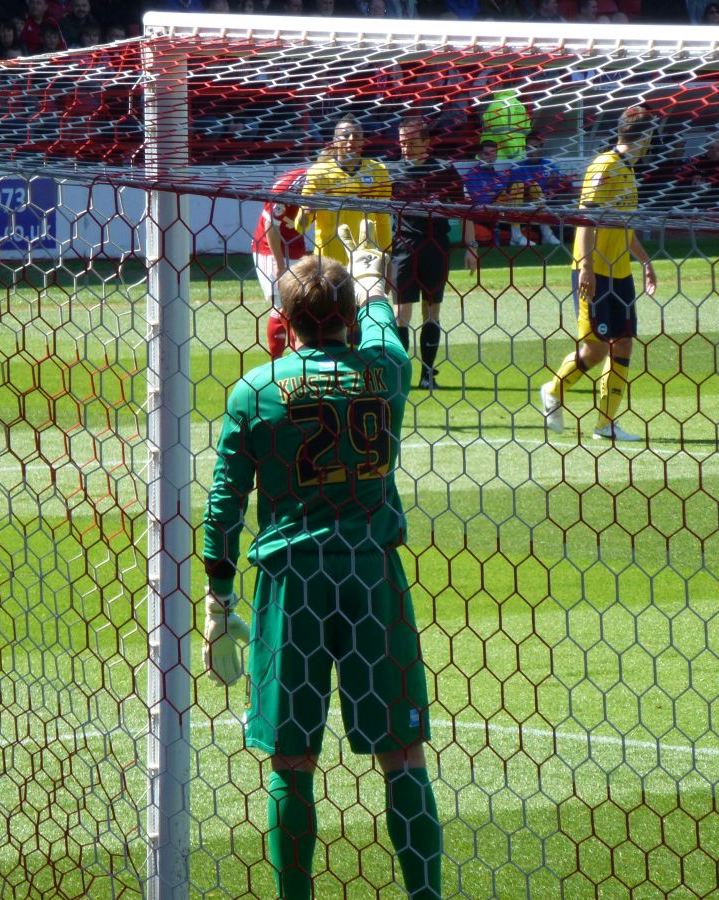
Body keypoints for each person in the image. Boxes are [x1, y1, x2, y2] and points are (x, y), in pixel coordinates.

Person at [201, 223, 441, 900]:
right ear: (345, 316)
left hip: (293, 583)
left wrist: (219, 602)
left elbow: (223, 508)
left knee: (291, 760)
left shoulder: (255, 391)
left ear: (282, 320)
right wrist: (369, 277)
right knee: (402, 756)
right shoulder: (387, 369)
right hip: (371, 575)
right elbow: (386, 331)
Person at [540, 105, 658, 443]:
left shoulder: (628, 170)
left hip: (620, 273)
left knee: (623, 344)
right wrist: (588, 267)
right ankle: (553, 390)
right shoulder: (604, 167)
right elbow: (586, 220)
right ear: (645, 136)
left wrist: (645, 262)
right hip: (595, 272)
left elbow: (623, 226)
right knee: (595, 350)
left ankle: (605, 424)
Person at [389, 115, 479, 390]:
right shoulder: (390, 172)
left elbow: (466, 210)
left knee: (432, 311)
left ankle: (428, 373)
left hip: (436, 248)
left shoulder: (444, 171)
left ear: (427, 142)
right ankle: (401, 374)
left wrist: (471, 247)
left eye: (412, 142)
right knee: (401, 313)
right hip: (402, 249)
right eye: (402, 142)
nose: (405, 147)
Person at [300, 113, 392, 268]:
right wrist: (307, 212)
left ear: (363, 141)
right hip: (329, 262)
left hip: (367, 259)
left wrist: (386, 255)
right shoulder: (318, 172)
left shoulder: (378, 171)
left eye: (356, 136)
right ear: (335, 141)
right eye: (345, 135)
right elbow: (300, 226)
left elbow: (383, 219)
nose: (351, 140)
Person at [251, 164, 309, 359]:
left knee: (300, 305)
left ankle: (297, 358)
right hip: (270, 249)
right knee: (283, 305)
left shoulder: (327, 180)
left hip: (295, 246)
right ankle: (276, 364)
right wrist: (280, 264)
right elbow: (270, 227)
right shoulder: (287, 186)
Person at [512, 130, 566, 246]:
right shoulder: (518, 167)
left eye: (535, 147)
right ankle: (547, 235)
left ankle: (548, 235)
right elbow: (514, 191)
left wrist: (554, 189)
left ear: (541, 148)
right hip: (526, 202)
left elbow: (561, 184)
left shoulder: (550, 165)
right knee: (535, 190)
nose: (532, 151)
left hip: (548, 201)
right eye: (529, 148)